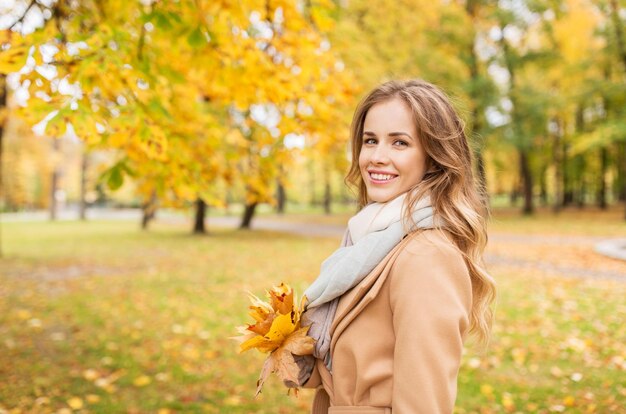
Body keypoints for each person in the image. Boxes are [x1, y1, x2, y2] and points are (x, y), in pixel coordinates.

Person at [297, 79, 496, 414]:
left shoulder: (426, 256)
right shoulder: (370, 240)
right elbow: (351, 366)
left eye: (399, 143)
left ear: (433, 158)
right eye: (370, 140)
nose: (377, 157)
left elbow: (423, 403)